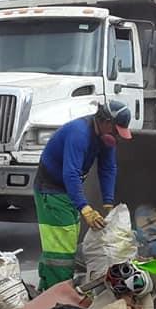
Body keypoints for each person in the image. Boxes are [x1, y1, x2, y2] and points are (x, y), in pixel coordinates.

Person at [33, 100, 133, 290]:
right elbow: (70, 173)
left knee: (60, 245)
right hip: (52, 191)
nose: (116, 138)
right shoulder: (79, 134)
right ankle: (58, 299)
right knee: (61, 253)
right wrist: (85, 208)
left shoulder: (105, 138)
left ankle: (45, 292)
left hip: (67, 191)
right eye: (115, 131)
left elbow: (108, 168)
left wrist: (108, 204)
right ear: (105, 122)